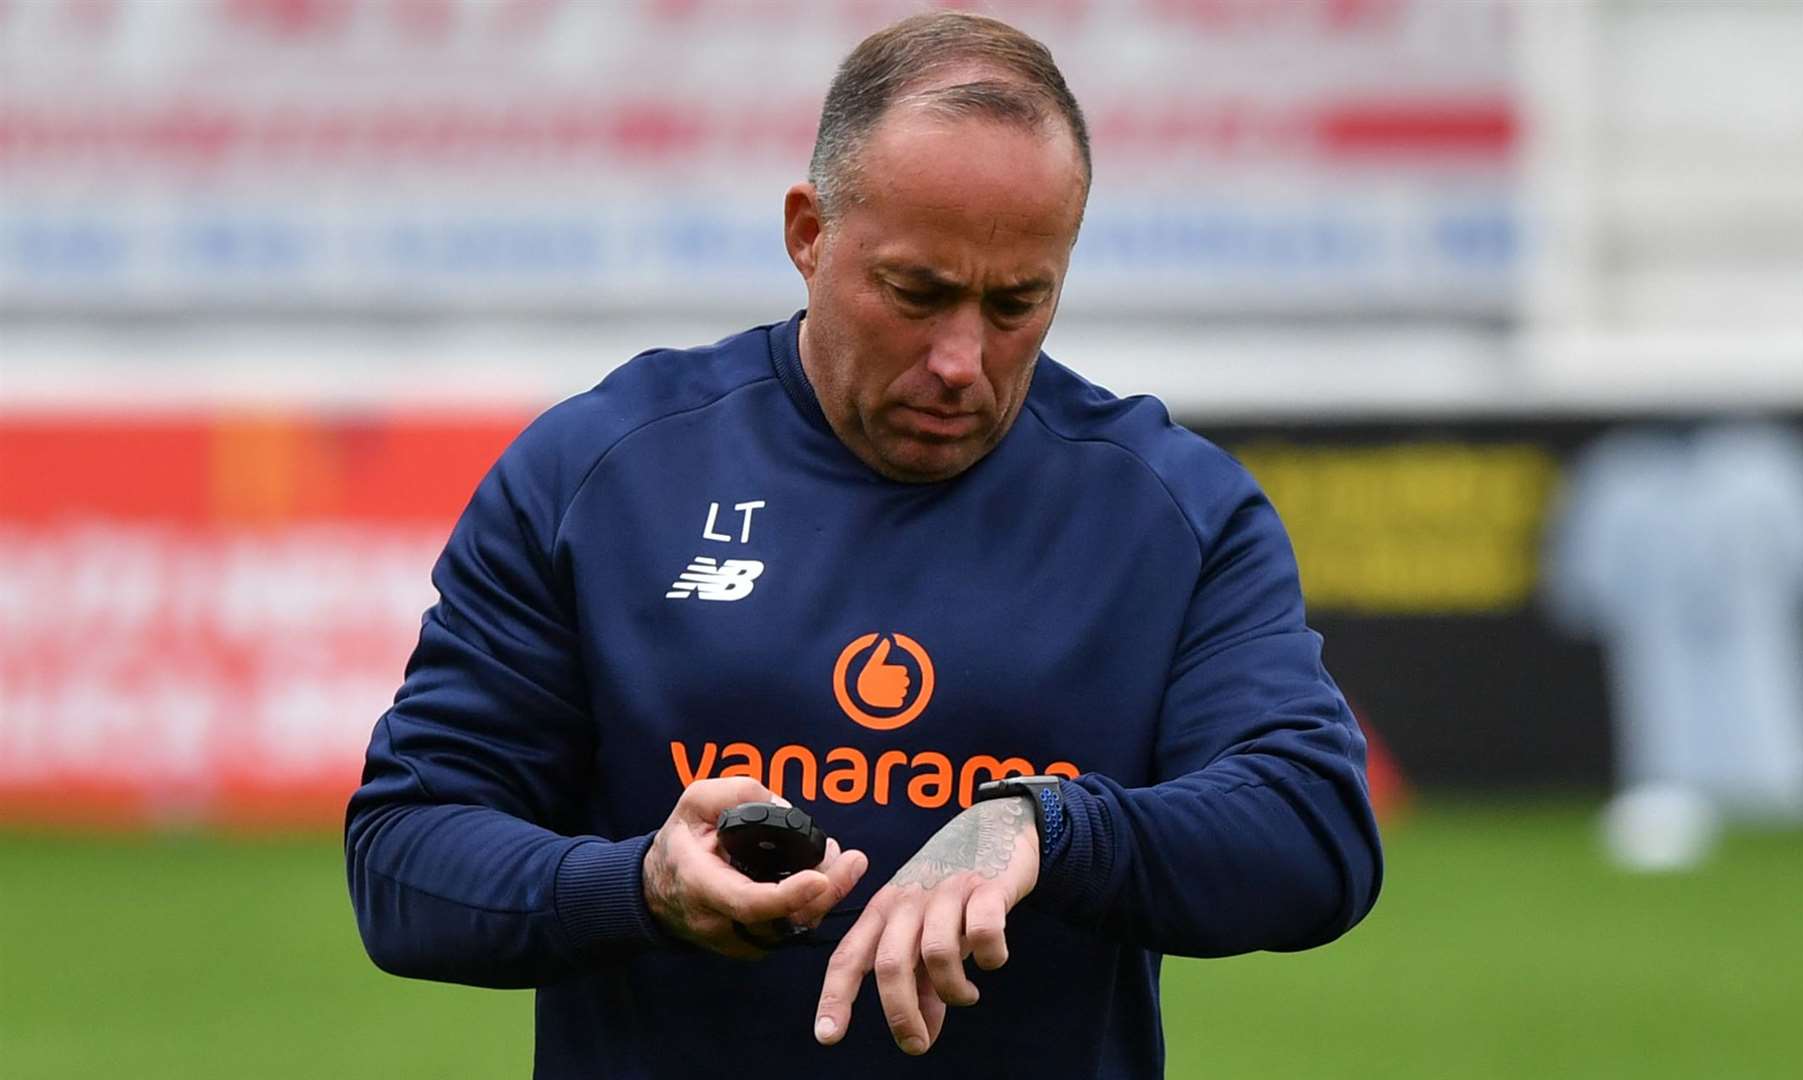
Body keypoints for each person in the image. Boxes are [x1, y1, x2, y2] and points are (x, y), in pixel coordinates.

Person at [345, 12, 1382, 1078]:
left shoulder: (1173, 511)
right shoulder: (602, 476)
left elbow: (1313, 833)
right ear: (808, 233)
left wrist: (1046, 828)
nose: (958, 360)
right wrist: (640, 888)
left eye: (1017, 304)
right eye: (917, 293)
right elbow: (406, 858)